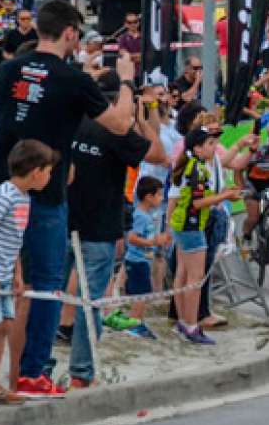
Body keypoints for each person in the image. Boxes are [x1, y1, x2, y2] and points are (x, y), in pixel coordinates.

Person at [0, 0, 135, 400]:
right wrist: (126, 82)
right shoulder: (72, 79)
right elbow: (120, 124)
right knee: (44, 287)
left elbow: (27, 116)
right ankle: (30, 373)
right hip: (43, 196)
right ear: (69, 32)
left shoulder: (9, 68)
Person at [65, 72, 166, 388]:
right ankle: (82, 372)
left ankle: (37, 370)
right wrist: (141, 118)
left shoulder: (73, 118)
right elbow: (159, 154)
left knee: (48, 295)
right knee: (91, 302)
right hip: (99, 226)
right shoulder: (115, 130)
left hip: (61, 218)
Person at [0, 139, 56, 408]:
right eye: (48, 171)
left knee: (4, 325)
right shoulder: (4, 195)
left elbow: (14, 239)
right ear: (36, 171)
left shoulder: (23, 198)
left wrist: (17, 273)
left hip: (4, 273)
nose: (49, 177)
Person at [169, 126, 240, 344]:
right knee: (195, 278)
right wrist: (225, 196)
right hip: (191, 226)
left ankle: (183, 322)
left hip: (183, 225)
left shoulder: (190, 165)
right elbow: (198, 203)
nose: (215, 147)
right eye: (210, 144)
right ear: (197, 148)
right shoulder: (197, 170)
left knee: (182, 274)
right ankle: (192, 325)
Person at [124, 176, 167, 339]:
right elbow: (132, 238)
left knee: (142, 293)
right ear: (149, 196)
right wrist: (153, 242)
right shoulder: (140, 216)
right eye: (159, 195)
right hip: (137, 261)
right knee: (140, 295)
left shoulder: (147, 215)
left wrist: (158, 240)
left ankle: (137, 321)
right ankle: (135, 324)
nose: (162, 198)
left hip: (142, 261)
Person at [117, 10, 143, 79]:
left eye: (135, 21)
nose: (132, 24)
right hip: (129, 74)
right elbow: (124, 55)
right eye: (129, 22)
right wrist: (140, 56)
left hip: (143, 73)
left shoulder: (145, 37)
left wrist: (130, 56)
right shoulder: (122, 38)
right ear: (125, 24)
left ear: (138, 23)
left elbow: (148, 55)